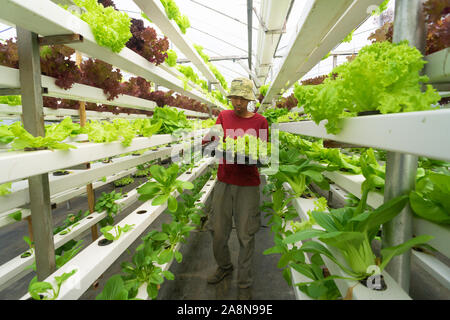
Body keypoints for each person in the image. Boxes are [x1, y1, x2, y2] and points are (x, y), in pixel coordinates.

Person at [206, 78, 269, 300]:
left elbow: (263, 154)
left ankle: (244, 281)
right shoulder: (223, 116)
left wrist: (254, 158)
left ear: (249, 99)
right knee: (218, 231)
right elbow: (211, 144)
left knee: (246, 234)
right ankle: (224, 266)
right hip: (224, 181)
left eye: (242, 98)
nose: (238, 102)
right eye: (234, 97)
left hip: (248, 186)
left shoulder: (261, 121)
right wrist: (213, 145)